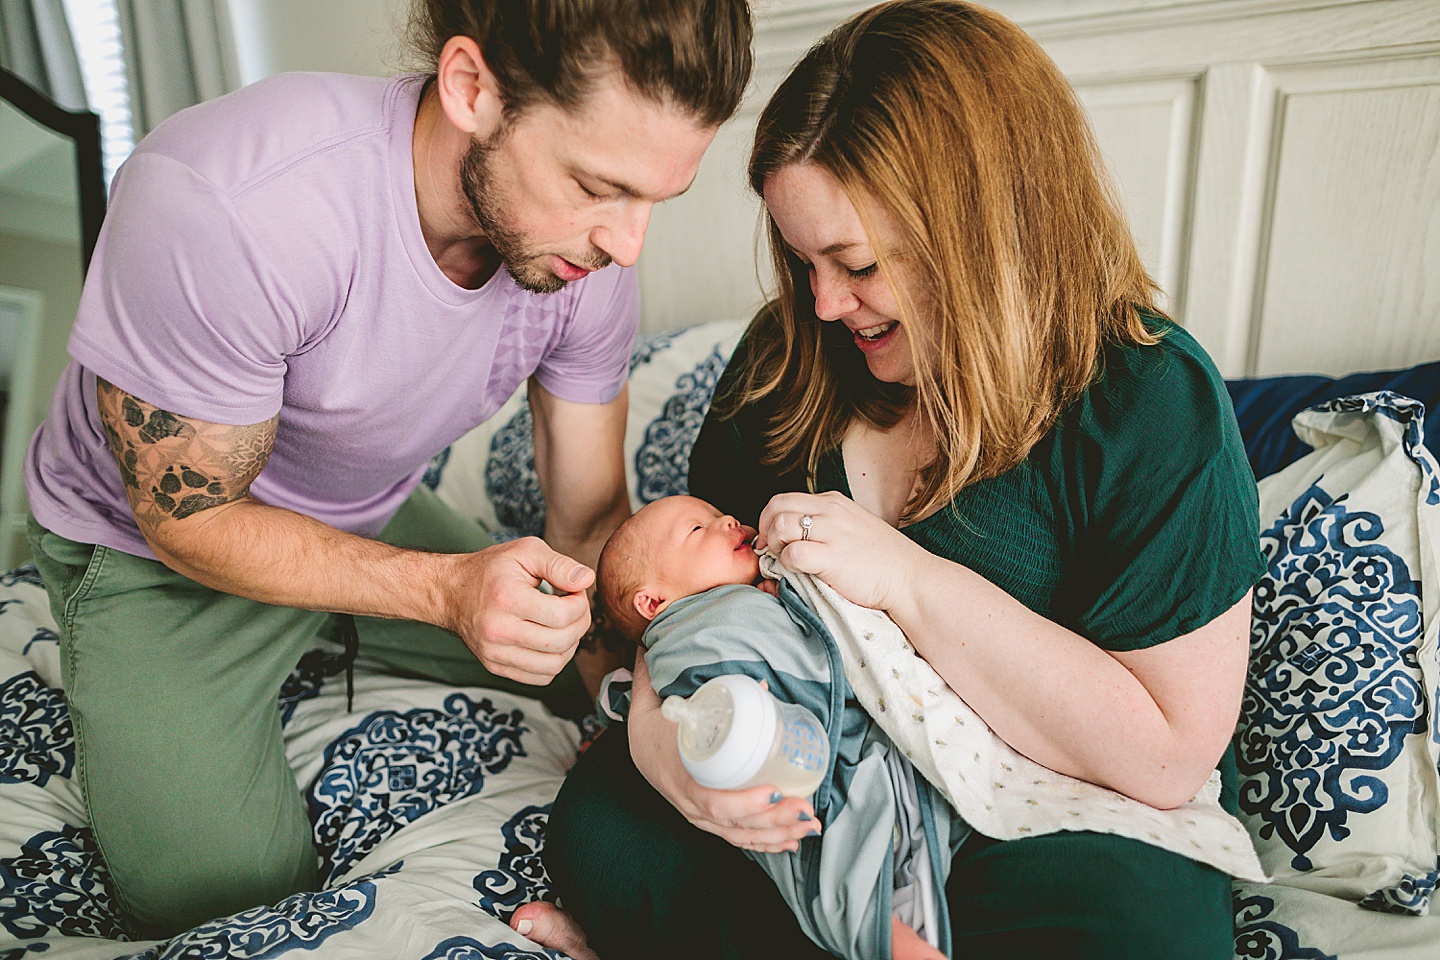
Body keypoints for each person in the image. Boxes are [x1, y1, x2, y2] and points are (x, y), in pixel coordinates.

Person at [538, 2, 1264, 958]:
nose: (825, 303)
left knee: (1145, 928)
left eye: (859, 265)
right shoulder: (784, 367)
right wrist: (660, 746)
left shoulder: (1144, 398)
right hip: (811, 807)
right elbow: (678, 616)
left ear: (984, 235)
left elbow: (1166, 755)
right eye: (803, 263)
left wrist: (906, 579)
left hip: (1026, 818)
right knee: (600, 822)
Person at [21, 0, 753, 938]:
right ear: (471, 88)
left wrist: (651, 713)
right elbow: (188, 519)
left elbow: (588, 523)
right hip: (152, 560)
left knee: (579, 674)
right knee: (237, 910)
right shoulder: (231, 205)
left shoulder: (589, 260)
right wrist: (444, 590)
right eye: (595, 185)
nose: (627, 244)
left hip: (364, 510)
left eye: (656, 199)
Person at [596, 494, 950, 960]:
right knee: (839, 881)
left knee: (904, 836)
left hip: (857, 738)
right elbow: (694, 700)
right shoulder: (688, 635)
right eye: (697, 530)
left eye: (716, 514)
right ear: (654, 601)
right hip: (786, 784)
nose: (726, 519)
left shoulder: (765, 584)